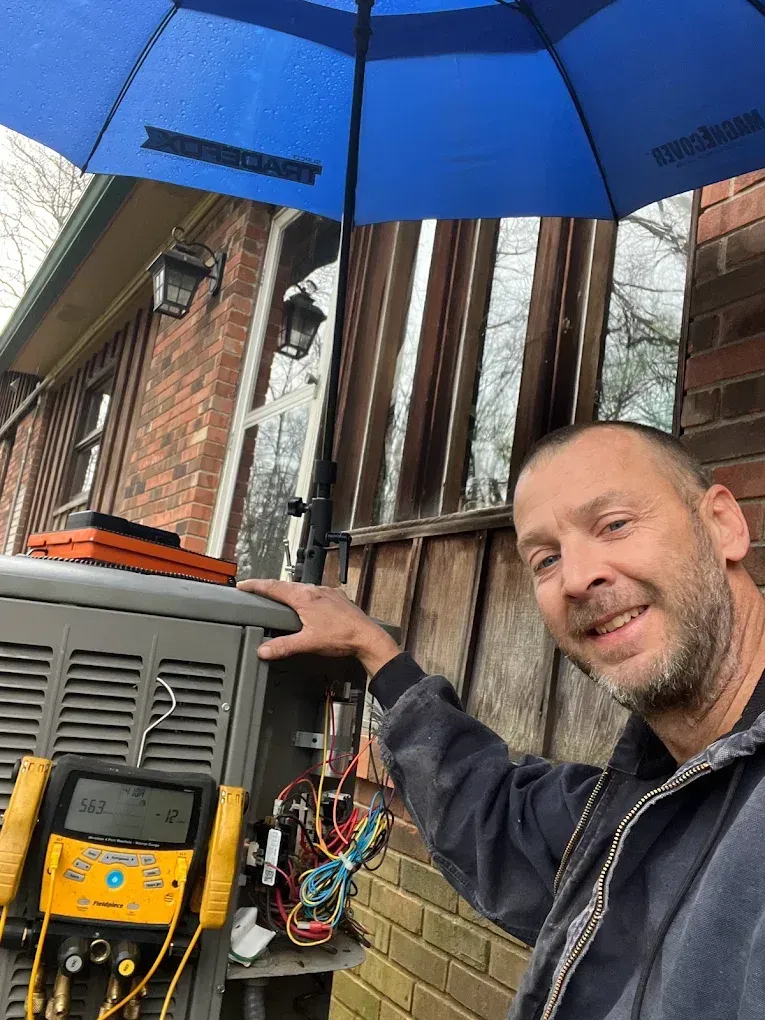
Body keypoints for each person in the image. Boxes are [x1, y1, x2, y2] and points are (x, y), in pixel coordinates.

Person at [239, 421, 765, 1020]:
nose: (576, 578)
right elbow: (492, 818)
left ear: (723, 525)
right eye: (545, 559)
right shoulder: (638, 800)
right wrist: (377, 655)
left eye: (614, 524)